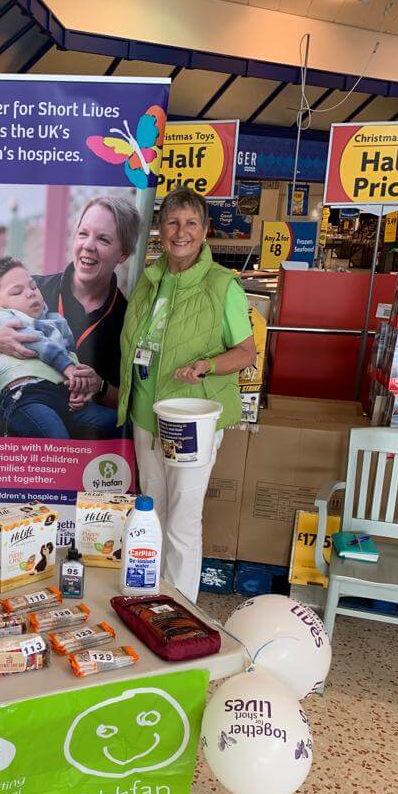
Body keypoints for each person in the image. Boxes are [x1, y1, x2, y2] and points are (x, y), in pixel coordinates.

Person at [118, 186, 257, 603]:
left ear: (206, 230)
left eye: (191, 223)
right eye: (173, 222)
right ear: (159, 229)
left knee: (182, 519)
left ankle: (180, 609)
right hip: (147, 415)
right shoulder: (150, 279)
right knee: (153, 513)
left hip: (190, 421)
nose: (181, 232)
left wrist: (207, 365)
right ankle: (151, 599)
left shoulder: (221, 286)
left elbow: (246, 353)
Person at [0, 195, 140, 428]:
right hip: (25, 417)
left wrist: (100, 386)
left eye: (104, 239)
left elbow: (131, 402)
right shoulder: (33, 290)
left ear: (122, 255)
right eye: (83, 234)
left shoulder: (126, 318)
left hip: (85, 429)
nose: (88, 245)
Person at [0, 256, 118, 439]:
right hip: (26, 398)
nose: (31, 293)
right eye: (17, 292)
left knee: (114, 422)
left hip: (61, 397)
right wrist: (69, 368)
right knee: (56, 439)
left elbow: (68, 353)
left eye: (33, 286)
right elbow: (36, 341)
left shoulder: (52, 321)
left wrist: (76, 387)